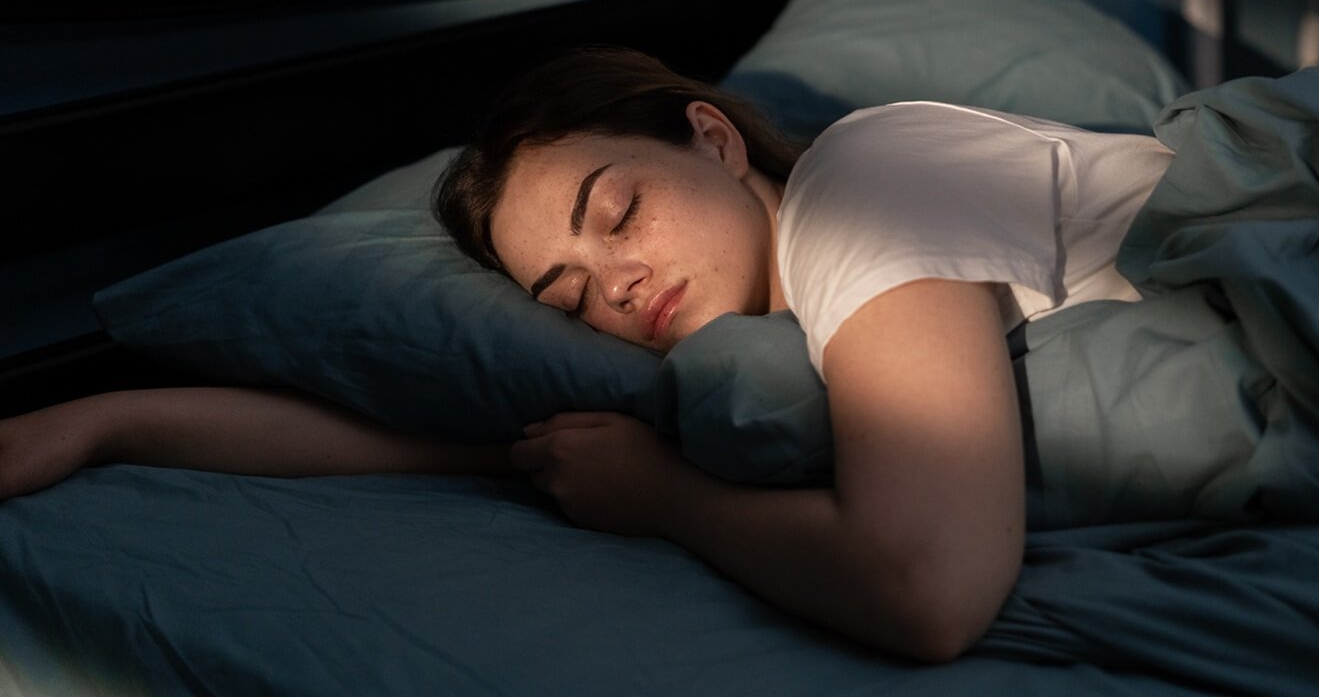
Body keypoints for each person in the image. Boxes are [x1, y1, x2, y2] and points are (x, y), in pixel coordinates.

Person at [0, 47, 1172, 662]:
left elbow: (928, 590)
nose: (614, 283)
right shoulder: (741, 361)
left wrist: (669, 503)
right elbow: (451, 439)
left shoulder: (859, 190)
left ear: (710, 138)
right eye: (567, 293)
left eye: (618, 213)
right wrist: (107, 421)